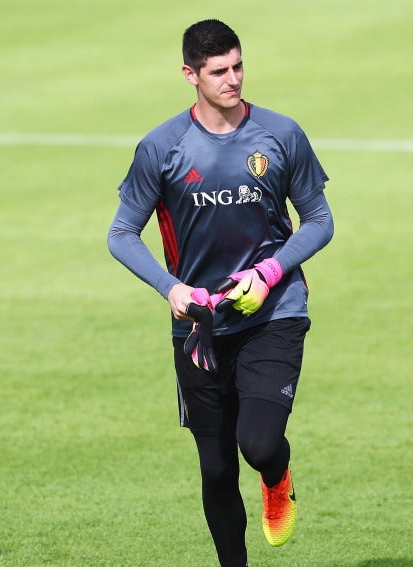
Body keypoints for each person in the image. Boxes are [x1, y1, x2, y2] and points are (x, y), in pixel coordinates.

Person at [107, 19, 334, 567]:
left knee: (256, 444)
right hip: (199, 328)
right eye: (218, 71)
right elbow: (120, 235)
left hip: (273, 312)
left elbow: (320, 221)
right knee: (215, 468)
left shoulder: (281, 135)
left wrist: (271, 273)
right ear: (190, 75)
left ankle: (277, 475)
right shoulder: (160, 148)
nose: (232, 80)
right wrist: (171, 288)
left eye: (237, 66)